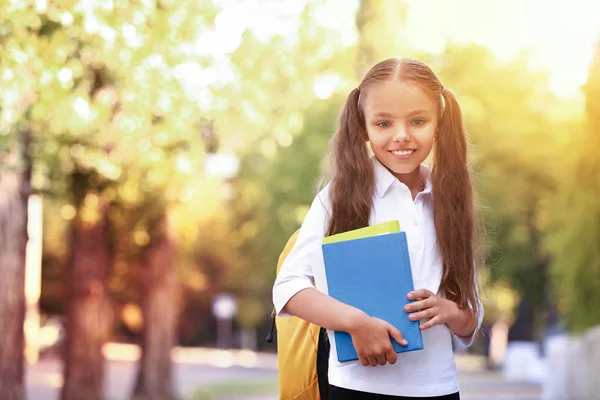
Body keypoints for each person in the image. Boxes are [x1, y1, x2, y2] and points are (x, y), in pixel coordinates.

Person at [272, 57, 484, 400]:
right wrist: (355, 323)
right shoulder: (338, 199)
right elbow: (288, 289)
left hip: (439, 389)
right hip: (355, 387)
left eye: (418, 121)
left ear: (439, 124)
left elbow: (470, 321)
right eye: (383, 123)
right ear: (363, 127)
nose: (401, 136)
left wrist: (451, 311)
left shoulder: (452, 202)